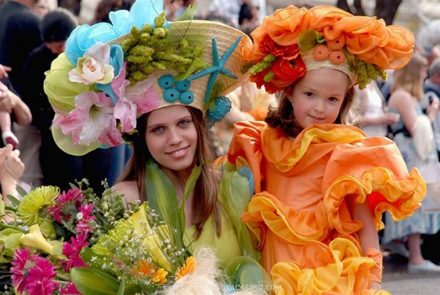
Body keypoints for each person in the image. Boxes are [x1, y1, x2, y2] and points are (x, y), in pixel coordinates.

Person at [44, 0, 266, 290]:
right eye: (159, 129)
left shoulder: (229, 188)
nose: (175, 139)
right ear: (142, 139)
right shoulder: (125, 199)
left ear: (198, 126)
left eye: (183, 124)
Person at [225, 5, 423, 293]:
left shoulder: (346, 150)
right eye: (310, 94)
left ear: (344, 101)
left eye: (332, 99)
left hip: (328, 274)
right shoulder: (263, 142)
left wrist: (373, 270)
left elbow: (362, 218)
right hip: (274, 267)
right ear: (290, 92)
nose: (320, 107)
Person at [382, 52, 440, 273]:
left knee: (418, 203)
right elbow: (416, 127)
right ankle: (416, 258)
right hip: (409, 156)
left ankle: (413, 252)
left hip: (414, 155)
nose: (425, 74)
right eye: (423, 70)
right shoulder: (402, 96)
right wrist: (432, 114)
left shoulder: (409, 95)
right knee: (413, 202)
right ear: (414, 72)